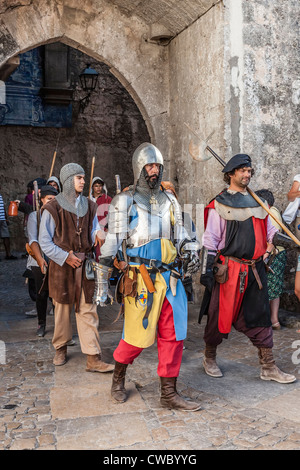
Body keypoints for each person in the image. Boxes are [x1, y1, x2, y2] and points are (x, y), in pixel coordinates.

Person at [96, 142, 202, 411]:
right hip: (140, 279)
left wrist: (191, 248)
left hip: (170, 279)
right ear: (139, 168)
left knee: (174, 336)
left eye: (157, 166)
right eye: (149, 166)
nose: (154, 170)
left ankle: (169, 393)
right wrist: (101, 286)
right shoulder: (124, 200)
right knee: (135, 337)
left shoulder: (171, 201)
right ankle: (118, 378)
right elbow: (111, 243)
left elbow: (183, 235)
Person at [199, 154, 296, 384]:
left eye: (249, 171)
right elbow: (210, 239)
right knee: (218, 317)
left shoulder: (260, 204)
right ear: (231, 174)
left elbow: (273, 232)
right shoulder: (219, 204)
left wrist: (291, 243)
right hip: (228, 271)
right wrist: (206, 269)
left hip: (255, 270)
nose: (247, 174)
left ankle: (268, 366)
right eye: (242, 170)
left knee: (260, 317)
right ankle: (209, 357)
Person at [39, 162, 114, 372]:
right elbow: (45, 242)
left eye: (83, 177)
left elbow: (92, 230)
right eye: (79, 178)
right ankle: (61, 347)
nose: (83, 181)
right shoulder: (52, 208)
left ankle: (93, 357)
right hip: (62, 266)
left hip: (85, 265)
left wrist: (98, 234)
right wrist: (65, 257)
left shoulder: (90, 205)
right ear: (67, 180)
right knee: (62, 310)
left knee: (88, 309)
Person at [27, 185, 58, 336]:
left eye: (54, 200)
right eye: (49, 199)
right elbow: (33, 240)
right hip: (38, 259)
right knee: (41, 294)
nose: (51, 202)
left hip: (56, 259)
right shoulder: (35, 216)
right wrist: (40, 259)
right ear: (41, 200)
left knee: (57, 294)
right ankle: (41, 323)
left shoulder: (58, 215)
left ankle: (60, 326)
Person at [255, 189, 287, 330]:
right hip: (273, 254)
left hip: (274, 255)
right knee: (272, 288)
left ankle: (271, 320)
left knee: (270, 288)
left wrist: (266, 254)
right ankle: (273, 321)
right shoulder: (270, 212)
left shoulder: (272, 212)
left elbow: (274, 237)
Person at [89, 177, 112, 260]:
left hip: (103, 230)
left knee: (101, 253)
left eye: (100, 186)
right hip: (90, 230)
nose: (98, 188)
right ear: (92, 187)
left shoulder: (107, 199)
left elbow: (112, 215)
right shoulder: (88, 199)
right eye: (96, 186)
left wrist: (108, 228)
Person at [0, 192, 17, 260]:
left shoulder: (0, 195)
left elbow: (3, 207)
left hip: (2, 219)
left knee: (6, 236)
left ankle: (8, 254)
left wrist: (6, 218)